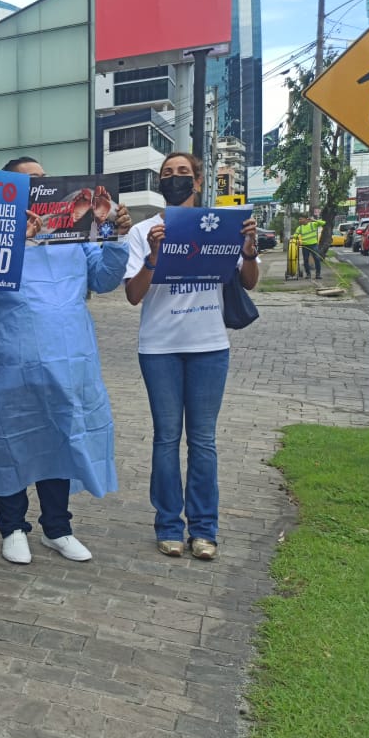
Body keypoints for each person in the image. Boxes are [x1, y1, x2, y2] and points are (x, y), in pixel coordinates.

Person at [0, 157, 133, 565]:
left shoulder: (74, 234)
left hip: (68, 357)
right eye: (28, 183)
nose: (39, 187)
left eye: (43, 180)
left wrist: (115, 238)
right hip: (11, 359)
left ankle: (58, 528)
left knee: (61, 435)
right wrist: (11, 242)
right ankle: (13, 526)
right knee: (12, 437)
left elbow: (104, 279)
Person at [123, 151, 259, 560]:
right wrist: (152, 256)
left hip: (209, 346)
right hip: (159, 348)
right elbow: (133, 295)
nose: (175, 178)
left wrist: (249, 248)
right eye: (168, 173)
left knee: (203, 441)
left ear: (198, 182)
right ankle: (168, 524)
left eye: (183, 173)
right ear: (160, 181)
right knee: (166, 438)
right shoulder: (145, 230)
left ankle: (204, 529)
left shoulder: (220, 224)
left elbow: (248, 281)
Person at [296, 214, 325, 279]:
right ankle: (308, 274)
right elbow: (296, 234)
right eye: (299, 219)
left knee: (317, 259)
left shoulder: (313, 224)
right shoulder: (300, 227)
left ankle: (318, 274)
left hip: (313, 245)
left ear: (306, 219)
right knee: (305, 260)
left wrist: (313, 220)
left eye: (301, 219)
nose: (299, 220)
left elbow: (323, 223)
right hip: (305, 246)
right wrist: (294, 237)